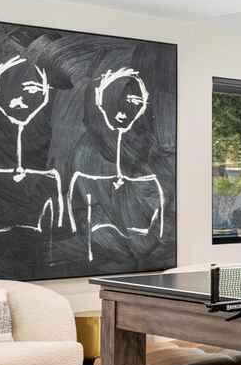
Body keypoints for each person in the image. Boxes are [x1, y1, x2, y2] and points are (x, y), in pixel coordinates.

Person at [0, 55, 64, 243]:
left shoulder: (49, 176)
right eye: (10, 89)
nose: (19, 99)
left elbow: (58, 234)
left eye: (34, 89)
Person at [67, 67, 167, 262]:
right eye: (117, 99)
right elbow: (82, 212)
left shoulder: (148, 149)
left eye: (134, 102)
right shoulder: (87, 151)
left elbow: (160, 210)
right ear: (102, 100)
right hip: (107, 250)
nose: (124, 111)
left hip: (145, 250)